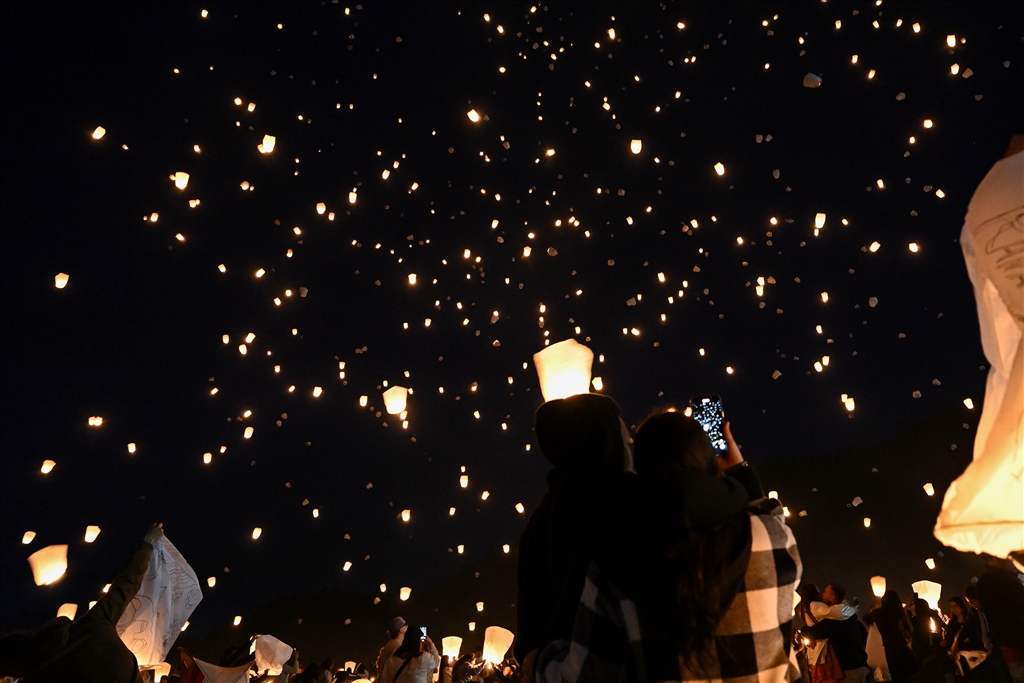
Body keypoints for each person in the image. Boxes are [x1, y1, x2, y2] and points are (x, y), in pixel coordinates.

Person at [534, 409, 802, 683]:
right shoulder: (774, 538)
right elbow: (770, 517)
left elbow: (586, 676)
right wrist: (740, 472)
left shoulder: (615, 557)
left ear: (639, 469)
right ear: (710, 462)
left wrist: (539, 661)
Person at [0, 523, 165, 683]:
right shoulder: (92, 625)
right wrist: (146, 545)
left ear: (14, 668)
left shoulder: (44, 676)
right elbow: (126, 585)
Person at [802, 584, 869, 683]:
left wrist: (803, 629)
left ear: (832, 597)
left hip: (850, 671)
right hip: (859, 666)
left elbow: (813, 632)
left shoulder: (836, 621)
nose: (822, 594)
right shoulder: (847, 617)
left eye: (825, 592)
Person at [863, 590, 917, 682]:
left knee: (896, 675)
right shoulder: (898, 612)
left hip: (889, 648)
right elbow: (909, 629)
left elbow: (866, 618)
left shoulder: (878, 613)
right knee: (911, 673)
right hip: (901, 646)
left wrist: (878, 608)